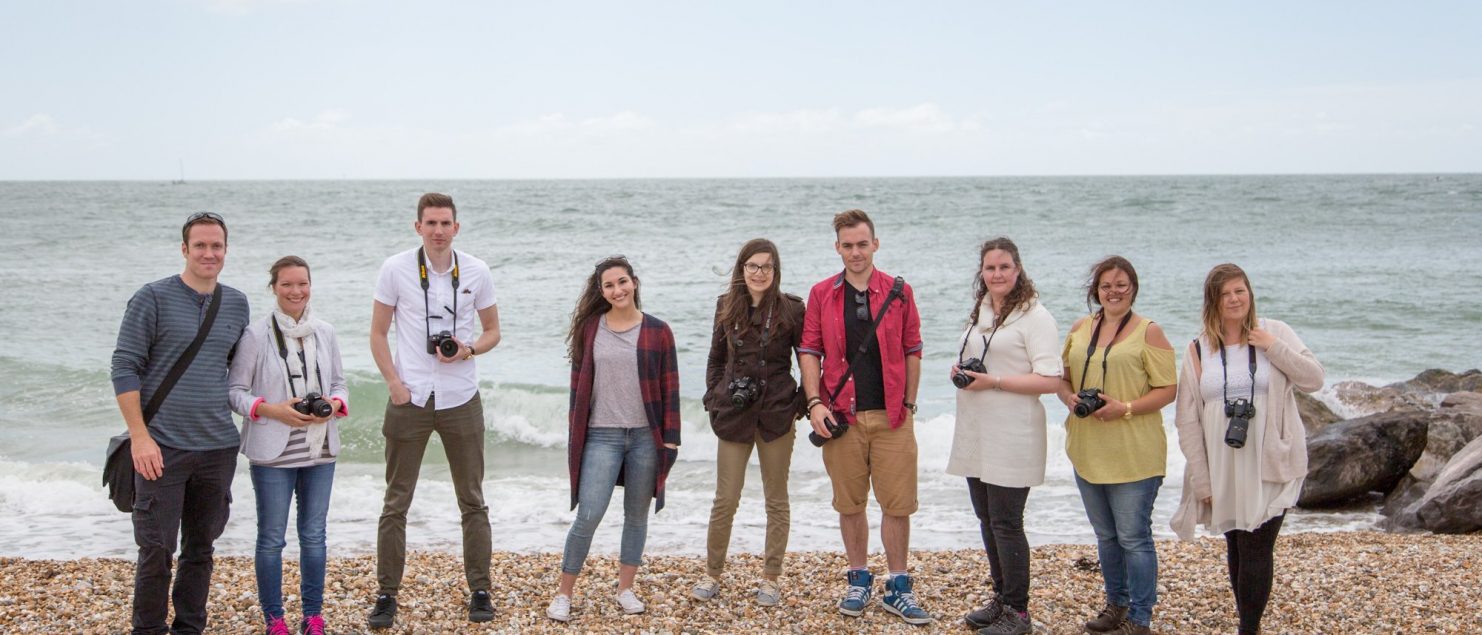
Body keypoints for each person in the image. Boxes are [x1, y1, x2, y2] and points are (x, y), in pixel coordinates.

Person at [111, 211, 251, 635]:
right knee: (155, 549)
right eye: (201, 245)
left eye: (217, 246)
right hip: (161, 446)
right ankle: (148, 629)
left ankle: (190, 627)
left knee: (201, 549)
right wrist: (140, 437)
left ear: (225, 250)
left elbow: (231, 371)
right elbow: (124, 367)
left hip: (218, 448)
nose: (209, 253)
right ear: (184, 249)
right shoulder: (151, 298)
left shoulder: (237, 302)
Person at [367, 193, 502, 630]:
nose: (438, 230)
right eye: (431, 223)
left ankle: (480, 590)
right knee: (395, 503)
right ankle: (386, 594)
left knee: (473, 501)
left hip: (461, 397)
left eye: (446, 222)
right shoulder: (395, 269)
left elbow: (493, 331)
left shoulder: (477, 271)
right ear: (418, 226)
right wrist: (393, 383)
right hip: (411, 399)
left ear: (456, 227)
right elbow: (377, 332)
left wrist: (468, 350)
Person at [1171, 264, 1324, 635]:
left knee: (1257, 546)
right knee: (1237, 545)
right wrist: (1202, 478)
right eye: (1226, 294)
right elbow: (1187, 419)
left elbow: (1314, 379)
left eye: (1240, 291)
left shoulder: (1275, 333)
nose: (1235, 299)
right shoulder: (1198, 349)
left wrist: (1273, 347)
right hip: (1223, 464)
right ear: (1213, 302)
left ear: (1250, 293)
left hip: (1269, 459)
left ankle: (1248, 628)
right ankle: (1247, 623)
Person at [799, 209, 930, 625]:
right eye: (847, 245)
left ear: (875, 244)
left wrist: (908, 406)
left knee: (897, 505)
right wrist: (814, 403)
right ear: (837, 247)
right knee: (850, 504)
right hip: (842, 418)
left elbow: (913, 349)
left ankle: (898, 585)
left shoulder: (898, 291)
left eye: (862, 244)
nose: (855, 252)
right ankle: (858, 578)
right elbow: (809, 351)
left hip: (892, 417)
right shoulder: (822, 293)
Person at [546, 256, 681, 623]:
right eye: (609, 285)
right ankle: (564, 593)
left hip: (644, 437)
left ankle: (625, 589)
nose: (617, 290)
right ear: (601, 292)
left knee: (636, 516)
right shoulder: (591, 329)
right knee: (588, 513)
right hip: (601, 436)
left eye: (622, 282)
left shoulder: (658, 331)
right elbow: (578, 389)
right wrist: (575, 435)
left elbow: (670, 388)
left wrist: (671, 440)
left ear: (634, 282)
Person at [946, 238, 1062, 635]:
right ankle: (1000, 598)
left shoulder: (1036, 317)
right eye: (990, 268)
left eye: (1005, 267)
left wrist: (992, 381)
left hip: (1014, 434)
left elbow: (1050, 379)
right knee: (986, 519)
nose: (997, 274)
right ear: (982, 272)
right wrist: (959, 371)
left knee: (1008, 523)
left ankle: (1019, 611)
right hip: (977, 431)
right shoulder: (982, 313)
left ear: (1018, 270)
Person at [228, 256, 349, 635]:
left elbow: (340, 384)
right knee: (271, 538)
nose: (296, 291)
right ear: (274, 288)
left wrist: (333, 407)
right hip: (272, 453)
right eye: (287, 285)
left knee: (314, 536)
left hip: (319, 450)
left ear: (311, 285)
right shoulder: (256, 334)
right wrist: (271, 410)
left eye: (302, 284)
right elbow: (234, 393)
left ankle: (313, 616)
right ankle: (274, 619)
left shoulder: (325, 331)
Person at [1055, 256, 1176, 635]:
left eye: (1121, 284)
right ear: (1096, 290)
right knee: (1106, 537)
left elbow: (1169, 389)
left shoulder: (1149, 331)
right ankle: (1116, 605)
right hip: (1089, 449)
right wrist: (1070, 399)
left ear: (1134, 288)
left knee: (1134, 538)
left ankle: (1140, 619)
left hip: (1135, 453)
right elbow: (1062, 380)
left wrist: (1124, 408)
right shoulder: (1080, 328)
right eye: (1106, 285)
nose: (1114, 291)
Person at [692, 239, 807, 607]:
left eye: (767, 267)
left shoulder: (791, 309)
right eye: (753, 266)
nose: (760, 273)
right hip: (734, 415)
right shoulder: (726, 306)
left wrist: (801, 401)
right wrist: (714, 397)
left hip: (776, 413)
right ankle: (712, 573)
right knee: (725, 499)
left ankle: (771, 578)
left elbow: (808, 359)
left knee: (776, 499)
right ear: (742, 269)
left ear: (776, 271)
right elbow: (714, 358)